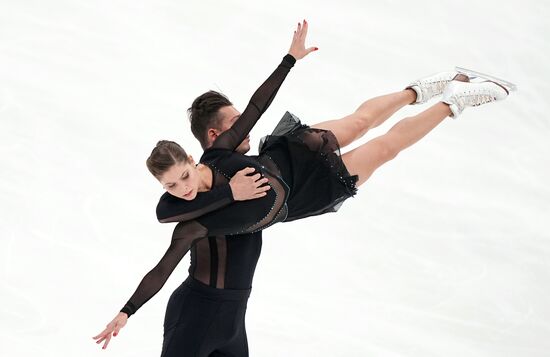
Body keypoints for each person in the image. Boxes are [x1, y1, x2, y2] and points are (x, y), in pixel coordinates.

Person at [94, 19, 513, 356]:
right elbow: (165, 247)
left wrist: (290, 59)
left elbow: (257, 107)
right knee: (385, 150)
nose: (182, 188)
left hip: (286, 161)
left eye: (184, 176)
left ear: (194, 156)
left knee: (359, 122)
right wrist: (126, 312)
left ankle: (426, 87)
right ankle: (455, 101)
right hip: (297, 201)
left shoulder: (219, 153)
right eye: (173, 185)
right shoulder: (194, 218)